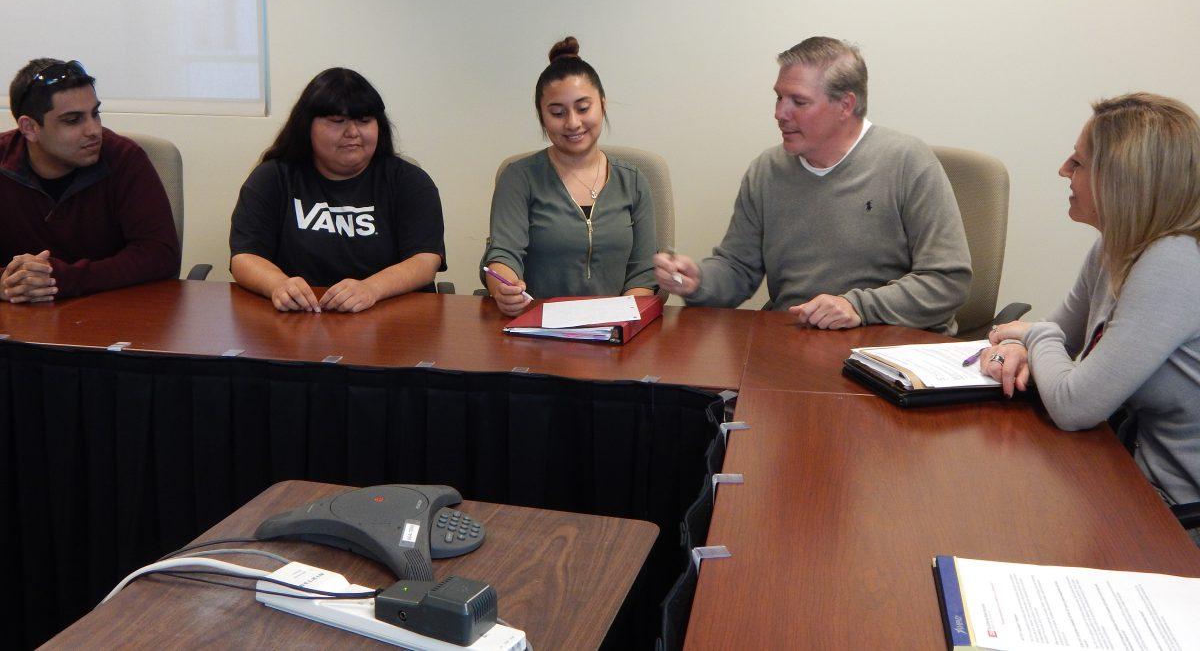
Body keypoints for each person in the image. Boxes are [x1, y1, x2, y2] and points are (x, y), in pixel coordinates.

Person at [654, 36, 971, 332]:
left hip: (887, 347)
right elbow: (737, 269)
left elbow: (947, 281)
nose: (780, 113)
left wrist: (856, 306)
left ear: (845, 105)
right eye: (779, 98)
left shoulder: (907, 162)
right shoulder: (767, 171)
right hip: (794, 342)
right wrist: (699, 282)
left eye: (798, 102)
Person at [983, 93, 1200, 511]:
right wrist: (1018, 346)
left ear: (1123, 179)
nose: (1064, 170)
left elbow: (1074, 405)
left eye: (1078, 163)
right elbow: (1062, 336)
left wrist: (1033, 333)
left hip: (1177, 514)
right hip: (1128, 473)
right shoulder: (1114, 246)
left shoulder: (1176, 262)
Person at [229, 68, 445, 313]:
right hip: (299, 316)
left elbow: (426, 260)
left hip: (387, 317)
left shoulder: (410, 181)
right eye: (337, 121)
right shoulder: (273, 177)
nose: (352, 132)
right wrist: (278, 285)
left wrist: (371, 289)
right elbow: (245, 256)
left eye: (364, 121)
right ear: (307, 126)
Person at [482, 36, 657, 315]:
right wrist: (503, 288)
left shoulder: (633, 182)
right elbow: (503, 254)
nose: (573, 122)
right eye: (557, 112)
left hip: (615, 331)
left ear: (602, 103)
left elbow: (643, 274)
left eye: (583, 108)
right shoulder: (519, 178)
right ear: (542, 116)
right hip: (538, 326)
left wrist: (619, 321)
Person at [1, 59, 181, 302]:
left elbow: (160, 255)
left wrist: (62, 279)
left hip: (110, 316)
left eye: (95, 113)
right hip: (18, 321)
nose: (94, 130)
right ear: (30, 128)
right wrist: (7, 283)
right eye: (73, 120)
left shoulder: (124, 158)